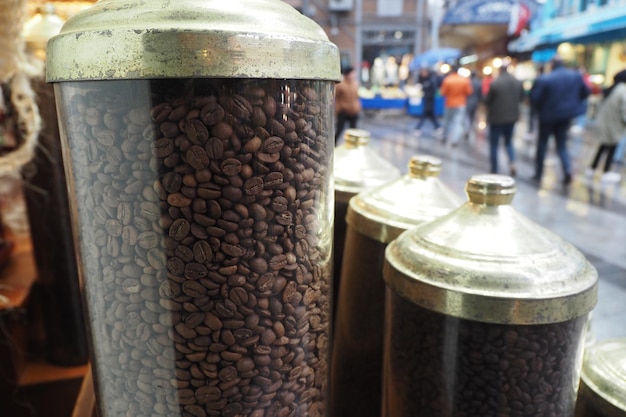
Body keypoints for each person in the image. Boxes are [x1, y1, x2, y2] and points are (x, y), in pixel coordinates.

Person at [529, 55, 591, 185]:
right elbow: (586, 92)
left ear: (552, 65)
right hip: (565, 117)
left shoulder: (545, 78)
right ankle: (567, 169)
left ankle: (539, 173)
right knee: (561, 145)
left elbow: (534, 99)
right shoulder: (575, 76)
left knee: (542, 145)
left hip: (547, 117)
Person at [483, 64, 525, 176]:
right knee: (508, 142)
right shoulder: (518, 82)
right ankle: (512, 163)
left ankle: (494, 168)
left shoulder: (495, 83)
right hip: (512, 117)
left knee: (494, 144)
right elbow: (522, 98)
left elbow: (487, 101)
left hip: (496, 118)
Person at [586, 69, 626, 182]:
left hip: (604, 123)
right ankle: (606, 172)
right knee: (611, 148)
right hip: (615, 125)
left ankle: (592, 168)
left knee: (603, 147)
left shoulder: (612, 88)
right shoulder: (623, 90)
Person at [440, 65, 473, 146]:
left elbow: (443, 92)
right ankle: (455, 140)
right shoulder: (464, 80)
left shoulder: (447, 80)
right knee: (457, 123)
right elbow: (469, 92)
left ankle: (445, 136)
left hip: (449, 103)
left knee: (447, 121)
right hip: (460, 104)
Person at [334, 66, 362, 143]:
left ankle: (352, 145)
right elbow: (335, 96)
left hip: (354, 111)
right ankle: (334, 144)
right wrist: (338, 108)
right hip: (343, 111)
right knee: (339, 129)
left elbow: (357, 96)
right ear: (347, 74)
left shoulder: (356, 84)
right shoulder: (340, 84)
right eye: (352, 74)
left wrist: (358, 106)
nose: (354, 75)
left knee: (354, 131)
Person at [414, 67, 440, 135]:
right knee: (431, 116)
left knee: (425, 114)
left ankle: (417, 128)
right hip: (426, 100)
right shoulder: (424, 80)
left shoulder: (431, 80)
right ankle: (437, 127)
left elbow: (434, 90)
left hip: (430, 101)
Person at [465, 71, 483, 140]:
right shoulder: (479, 83)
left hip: (468, 101)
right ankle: (470, 127)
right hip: (475, 102)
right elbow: (480, 94)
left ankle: (468, 129)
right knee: (472, 116)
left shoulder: (468, 82)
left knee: (467, 116)